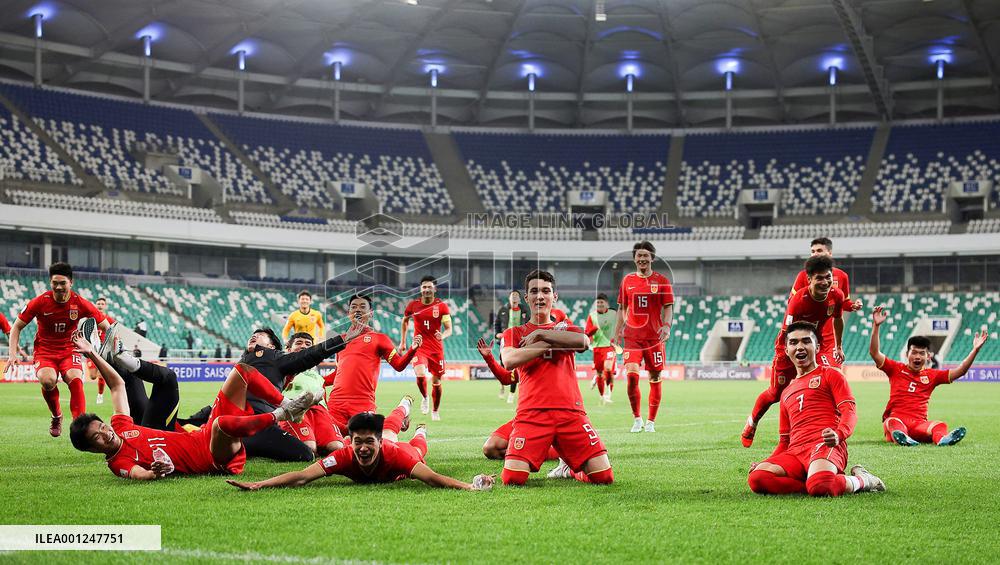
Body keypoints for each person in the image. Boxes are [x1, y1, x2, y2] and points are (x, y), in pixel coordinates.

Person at [69, 330, 317, 480]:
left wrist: (92, 353)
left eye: (101, 427)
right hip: (211, 456)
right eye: (98, 437)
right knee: (220, 424)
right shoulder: (118, 462)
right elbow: (141, 474)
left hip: (202, 435)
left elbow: (117, 387)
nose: (105, 433)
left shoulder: (120, 426)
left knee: (242, 369)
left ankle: (288, 407)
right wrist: (157, 470)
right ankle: (281, 413)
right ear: (92, 449)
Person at [178, 322, 363, 462]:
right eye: (253, 335)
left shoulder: (276, 358)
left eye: (260, 335)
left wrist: (341, 339)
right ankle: (227, 439)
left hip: (259, 422)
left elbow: (309, 355)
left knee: (305, 454)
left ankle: (234, 441)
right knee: (192, 422)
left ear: (272, 346)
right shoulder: (243, 361)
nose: (254, 336)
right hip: (236, 419)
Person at [499, 270, 613, 486]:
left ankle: (569, 470)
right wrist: (555, 341)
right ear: (527, 298)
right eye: (534, 291)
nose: (540, 296)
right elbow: (510, 360)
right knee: (512, 479)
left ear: (554, 296)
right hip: (531, 414)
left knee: (604, 477)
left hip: (571, 413)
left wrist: (543, 334)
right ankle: (558, 459)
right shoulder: (514, 332)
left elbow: (583, 342)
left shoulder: (569, 328)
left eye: (546, 291)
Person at [747, 321, 885, 497]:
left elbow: (849, 412)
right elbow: (784, 442)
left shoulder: (831, 374)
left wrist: (839, 434)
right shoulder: (786, 392)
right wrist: (766, 462)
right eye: (793, 342)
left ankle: (863, 479)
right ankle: (814, 480)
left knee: (821, 487)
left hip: (825, 445)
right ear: (787, 349)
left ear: (817, 347)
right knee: (757, 478)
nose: (800, 347)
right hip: (795, 453)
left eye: (806, 341)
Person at [741, 255, 862, 447]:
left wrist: (838, 346)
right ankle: (752, 423)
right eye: (819, 278)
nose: (825, 282)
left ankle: (824, 430)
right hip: (788, 346)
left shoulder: (836, 295)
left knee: (825, 384)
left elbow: (838, 319)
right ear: (810, 279)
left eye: (828, 277)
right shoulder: (799, 300)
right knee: (775, 394)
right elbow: (787, 332)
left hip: (814, 346)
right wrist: (787, 353)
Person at [227, 411, 494, 491]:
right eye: (358, 442)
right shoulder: (344, 455)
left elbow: (435, 479)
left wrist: (470, 487)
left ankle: (421, 431)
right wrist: (259, 484)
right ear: (350, 440)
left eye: (369, 442)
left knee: (416, 449)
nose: (363, 448)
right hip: (386, 443)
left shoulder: (395, 454)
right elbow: (301, 476)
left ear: (378, 442)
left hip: (403, 453)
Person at [5, 262, 110, 437]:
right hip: (45, 351)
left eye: (63, 283)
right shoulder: (40, 302)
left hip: (70, 349)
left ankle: (80, 427)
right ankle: (56, 416)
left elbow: (106, 326)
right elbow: (16, 327)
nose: (59, 287)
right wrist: (12, 354)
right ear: (50, 282)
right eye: (55, 283)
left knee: (75, 379)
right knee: (47, 380)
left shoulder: (80, 303)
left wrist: (110, 348)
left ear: (71, 283)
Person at [869, 305, 988, 446]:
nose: (917, 356)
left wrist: (975, 350)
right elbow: (875, 353)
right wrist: (876, 326)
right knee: (892, 422)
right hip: (897, 420)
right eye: (914, 352)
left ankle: (942, 440)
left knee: (940, 425)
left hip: (919, 424)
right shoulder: (895, 369)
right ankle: (903, 437)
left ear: (928, 357)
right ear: (907, 355)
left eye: (921, 353)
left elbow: (960, 371)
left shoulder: (932, 375)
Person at [327, 294, 421, 432]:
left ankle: (402, 411)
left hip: (362, 403)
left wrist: (412, 350)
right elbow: (338, 373)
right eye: (353, 307)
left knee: (366, 441)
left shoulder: (379, 339)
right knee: (329, 442)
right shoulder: (340, 341)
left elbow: (399, 365)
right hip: (336, 404)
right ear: (348, 314)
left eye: (362, 306)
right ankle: (393, 420)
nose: (357, 310)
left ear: (370, 313)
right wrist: (319, 381)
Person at [613, 241, 674, 433]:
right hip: (632, 337)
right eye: (639, 256)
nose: (642, 259)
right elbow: (622, 308)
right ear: (634, 259)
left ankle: (651, 422)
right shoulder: (627, 281)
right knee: (631, 377)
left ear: (652, 258)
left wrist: (666, 326)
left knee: (655, 377)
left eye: (646, 256)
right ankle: (637, 419)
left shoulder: (662, 281)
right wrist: (616, 331)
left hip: (654, 338)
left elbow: (668, 307)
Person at [476, 337, 561, 463]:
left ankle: (557, 452)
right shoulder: (523, 365)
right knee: (490, 448)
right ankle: (537, 451)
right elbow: (506, 378)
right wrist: (488, 357)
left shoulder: (553, 363)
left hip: (549, 416)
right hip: (526, 417)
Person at [278, 332, 345, 457]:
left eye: (308, 344)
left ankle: (317, 438)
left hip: (320, 412)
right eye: (299, 343)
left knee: (336, 448)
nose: (304, 346)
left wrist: (346, 428)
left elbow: (325, 407)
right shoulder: (281, 368)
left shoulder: (318, 377)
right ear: (288, 349)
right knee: (308, 449)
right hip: (295, 409)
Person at [789, 238, 852, 366]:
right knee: (810, 376)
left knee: (834, 374)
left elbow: (844, 304)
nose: (815, 254)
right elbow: (793, 305)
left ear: (829, 253)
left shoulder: (842, 276)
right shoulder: (803, 276)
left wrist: (852, 306)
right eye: (812, 251)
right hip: (809, 335)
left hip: (829, 338)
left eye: (819, 250)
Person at [400, 275, 452, 419]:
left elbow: (449, 329)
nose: (427, 289)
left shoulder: (442, 306)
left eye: (429, 287)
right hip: (419, 346)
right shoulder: (413, 305)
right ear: (420, 289)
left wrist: (443, 335)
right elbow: (404, 321)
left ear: (434, 289)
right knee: (420, 374)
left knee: (436, 382)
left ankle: (435, 410)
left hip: (436, 349)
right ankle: (425, 397)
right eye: (424, 287)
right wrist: (403, 341)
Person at [585, 293, 618, 405]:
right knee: (600, 373)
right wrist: (594, 329)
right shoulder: (592, 316)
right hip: (597, 348)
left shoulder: (613, 314)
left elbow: (621, 323)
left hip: (609, 346)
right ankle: (602, 395)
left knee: (608, 369)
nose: (599, 304)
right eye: (598, 302)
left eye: (601, 302)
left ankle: (609, 393)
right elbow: (587, 332)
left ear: (607, 304)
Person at [493, 289, 526, 401]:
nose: (515, 297)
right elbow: (496, 324)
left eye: (517, 295)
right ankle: (502, 387)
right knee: (504, 366)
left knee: (516, 366)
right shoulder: (503, 310)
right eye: (513, 295)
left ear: (519, 299)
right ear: (509, 298)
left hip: (520, 340)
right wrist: (496, 334)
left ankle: (512, 394)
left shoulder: (525, 310)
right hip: (505, 339)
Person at [88, 296, 117, 405]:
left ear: (105, 306)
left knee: (101, 375)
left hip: (103, 350)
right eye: (98, 303)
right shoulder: (90, 319)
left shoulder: (109, 320)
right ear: (95, 305)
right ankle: (100, 392)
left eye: (102, 304)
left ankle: (100, 395)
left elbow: (115, 333)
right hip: (92, 350)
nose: (100, 305)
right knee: (92, 376)